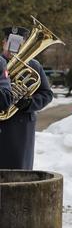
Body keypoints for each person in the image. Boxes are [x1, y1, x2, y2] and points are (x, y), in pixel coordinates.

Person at [0, 26, 53, 169]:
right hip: (2, 125)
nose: (13, 46)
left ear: (24, 44)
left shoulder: (34, 65)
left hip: (22, 126)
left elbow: (47, 94)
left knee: (20, 170)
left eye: (19, 42)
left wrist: (30, 103)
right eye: (10, 41)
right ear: (3, 43)